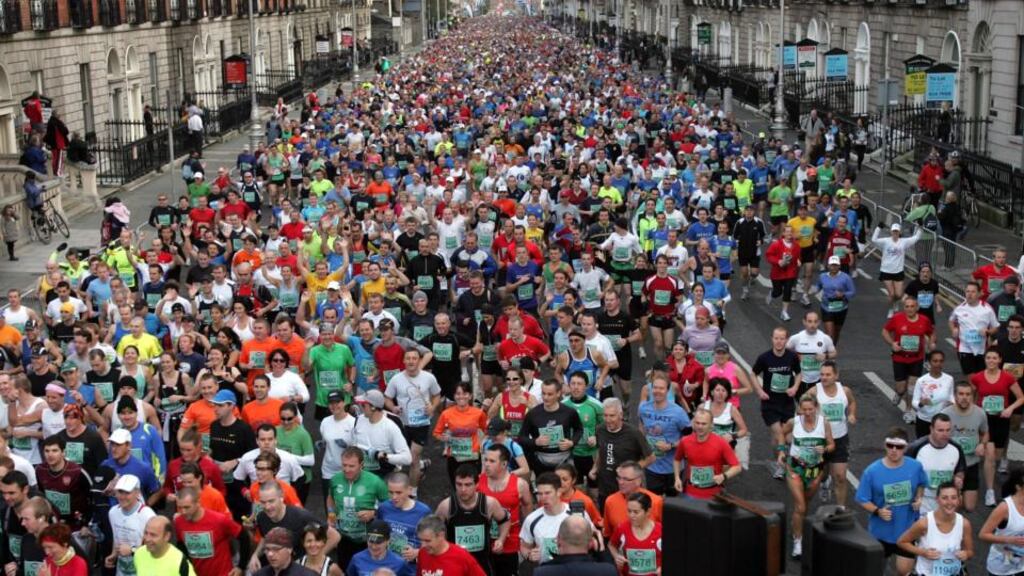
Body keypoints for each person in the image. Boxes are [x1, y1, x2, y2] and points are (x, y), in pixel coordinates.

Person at [855, 427, 928, 576]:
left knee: (903, 571)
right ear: (885, 445)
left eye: (899, 447)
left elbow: (921, 483)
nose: (894, 450)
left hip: (906, 531)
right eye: (890, 446)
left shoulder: (915, 466)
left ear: (906, 447)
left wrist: (919, 498)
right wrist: (878, 511)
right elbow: (862, 498)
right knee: (875, 571)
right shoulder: (872, 471)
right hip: (880, 532)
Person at [778, 393, 834, 558]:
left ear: (816, 408)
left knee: (804, 504)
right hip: (795, 468)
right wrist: (781, 452)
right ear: (800, 410)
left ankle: (796, 523)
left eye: (811, 409)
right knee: (801, 506)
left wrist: (824, 449)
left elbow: (832, 444)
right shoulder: (794, 422)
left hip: (815, 470)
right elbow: (782, 433)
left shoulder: (823, 423)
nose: (808, 413)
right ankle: (798, 542)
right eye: (804, 410)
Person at [970, 346, 1024, 507]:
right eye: (988, 358)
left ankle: (988, 478)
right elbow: (970, 396)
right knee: (990, 456)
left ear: (1000, 360)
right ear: (985, 360)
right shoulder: (977, 378)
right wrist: (974, 412)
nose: (991, 361)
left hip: (1001, 420)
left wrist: (1009, 409)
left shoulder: (1007, 378)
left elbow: (1021, 398)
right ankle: (990, 492)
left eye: (994, 358)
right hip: (985, 420)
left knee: (997, 456)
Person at [435, 464, 511, 575]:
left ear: (477, 484)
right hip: (455, 564)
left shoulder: (489, 503)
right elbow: (433, 531)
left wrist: (501, 540)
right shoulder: (446, 506)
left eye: (468, 484)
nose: (463, 489)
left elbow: (505, 520)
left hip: (482, 563)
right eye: (459, 484)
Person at [328, 447, 390, 569]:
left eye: (351, 466)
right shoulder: (335, 479)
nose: (346, 470)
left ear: (361, 465)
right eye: (344, 465)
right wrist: (331, 515)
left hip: (367, 540)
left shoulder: (375, 482)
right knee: (345, 569)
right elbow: (330, 498)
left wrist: (374, 513)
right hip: (343, 537)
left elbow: (389, 506)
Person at [520, 472, 597, 567]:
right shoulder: (532, 519)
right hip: (547, 570)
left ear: (559, 492)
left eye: (547, 493)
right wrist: (529, 555)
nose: (543, 498)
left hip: (576, 569)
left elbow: (593, 538)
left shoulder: (577, 514)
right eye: (539, 494)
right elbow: (524, 546)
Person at [897, 482, 974, 576]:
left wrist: (966, 554)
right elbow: (902, 542)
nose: (949, 502)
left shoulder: (964, 524)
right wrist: (923, 552)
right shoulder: (925, 523)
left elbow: (970, 552)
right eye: (944, 498)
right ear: (937, 500)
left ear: (959, 500)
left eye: (953, 497)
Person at [884, 295, 937, 426]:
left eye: (912, 306)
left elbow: (932, 333)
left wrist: (931, 343)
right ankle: (898, 393)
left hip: (917, 358)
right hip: (899, 358)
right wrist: (892, 344)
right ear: (904, 308)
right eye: (907, 306)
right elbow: (885, 331)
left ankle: (908, 411)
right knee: (902, 388)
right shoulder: (897, 319)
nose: (909, 309)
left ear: (917, 307)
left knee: (912, 387)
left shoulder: (924, 320)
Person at [588, 398, 653, 504]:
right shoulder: (600, 429)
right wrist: (595, 468)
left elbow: (650, 458)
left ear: (621, 415)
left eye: (612, 416)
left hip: (627, 489)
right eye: (605, 415)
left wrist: (630, 472)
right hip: (605, 485)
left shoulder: (633, 434)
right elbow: (601, 450)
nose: (608, 420)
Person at [811, 361, 857, 506]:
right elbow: (802, 410)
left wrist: (852, 414)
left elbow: (852, 402)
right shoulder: (813, 392)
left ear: (836, 375)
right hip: (821, 440)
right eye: (822, 374)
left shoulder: (845, 391)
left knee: (841, 477)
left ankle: (840, 509)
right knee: (823, 473)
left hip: (840, 438)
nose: (824, 378)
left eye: (828, 375)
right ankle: (825, 483)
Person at [637, 373, 690, 496]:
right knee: (653, 504)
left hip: (673, 468)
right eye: (655, 388)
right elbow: (641, 427)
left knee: (672, 507)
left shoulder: (678, 413)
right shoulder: (643, 408)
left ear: (667, 390)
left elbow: (690, 437)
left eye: (661, 388)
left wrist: (671, 445)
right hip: (652, 467)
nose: (657, 391)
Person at [941, 381, 989, 512]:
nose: (964, 397)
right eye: (961, 394)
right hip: (952, 465)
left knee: (970, 507)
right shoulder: (945, 414)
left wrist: (982, 444)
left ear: (972, 396)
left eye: (968, 394)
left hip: (971, 463)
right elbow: (936, 436)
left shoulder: (980, 413)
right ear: (955, 396)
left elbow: (985, 433)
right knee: (952, 505)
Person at [173, 486, 243, 576]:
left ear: (198, 502)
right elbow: (182, 546)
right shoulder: (179, 522)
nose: (183, 512)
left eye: (187, 507)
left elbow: (243, 537)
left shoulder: (219, 520)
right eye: (180, 508)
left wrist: (241, 566)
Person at [673, 408, 741, 499]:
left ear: (711, 425)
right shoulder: (685, 441)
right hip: (690, 493)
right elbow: (677, 459)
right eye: (697, 423)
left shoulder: (721, 443)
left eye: (704, 424)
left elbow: (737, 466)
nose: (700, 427)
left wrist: (724, 476)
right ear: (693, 424)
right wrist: (677, 478)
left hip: (714, 495)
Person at [905, 414, 966, 514]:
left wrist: (958, 479)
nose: (945, 434)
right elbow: (904, 471)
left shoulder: (956, 448)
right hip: (922, 500)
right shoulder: (916, 447)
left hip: (945, 502)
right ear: (931, 429)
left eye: (948, 430)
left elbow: (960, 470)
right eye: (940, 430)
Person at [106, 474, 157, 576]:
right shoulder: (113, 512)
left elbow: (157, 547)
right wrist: (113, 555)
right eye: (120, 492)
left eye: (127, 493)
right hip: (122, 571)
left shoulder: (148, 515)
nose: (122, 497)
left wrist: (132, 551)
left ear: (137, 493)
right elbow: (117, 539)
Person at [980, 467, 1024, 576]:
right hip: (1000, 566)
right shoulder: (1005, 507)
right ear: (1018, 487)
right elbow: (983, 534)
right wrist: (1009, 539)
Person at [608, 492, 662, 576]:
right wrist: (616, 556)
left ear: (648, 511)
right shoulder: (622, 528)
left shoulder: (661, 531)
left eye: (636, 512)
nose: (631, 515)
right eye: (629, 511)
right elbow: (611, 545)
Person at [416, 515, 487, 576]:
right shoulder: (422, 553)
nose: (423, 545)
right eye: (421, 540)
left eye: (427, 541)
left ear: (441, 535)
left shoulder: (461, 556)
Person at [133, 516, 197, 575]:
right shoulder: (139, 554)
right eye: (146, 533)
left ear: (167, 536)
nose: (147, 539)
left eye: (153, 535)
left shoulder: (180, 561)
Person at [345, 520, 413, 576]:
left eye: (378, 543)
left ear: (388, 541)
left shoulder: (400, 563)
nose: (374, 546)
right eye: (371, 542)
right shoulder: (357, 559)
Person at [252, 527, 318, 576]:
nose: (270, 554)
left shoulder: (307, 575)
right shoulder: (259, 574)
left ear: (289, 549)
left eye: (276, 549)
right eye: (267, 549)